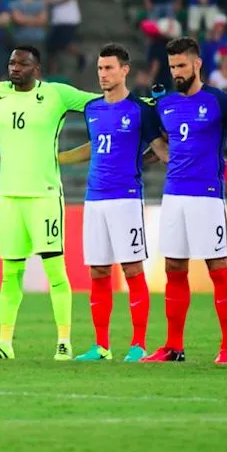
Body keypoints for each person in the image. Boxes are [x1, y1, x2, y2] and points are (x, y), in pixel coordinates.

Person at [0, 46, 100, 360]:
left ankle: (64, 342)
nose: (15, 67)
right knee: (10, 273)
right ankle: (4, 345)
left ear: (36, 68)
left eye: (22, 63)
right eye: (11, 62)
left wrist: (146, 103)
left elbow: (102, 104)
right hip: (10, 197)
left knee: (55, 271)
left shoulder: (57, 95)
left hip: (45, 196)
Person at [56, 43, 166, 362]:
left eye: (109, 68)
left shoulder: (140, 110)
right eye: (100, 69)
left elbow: (159, 148)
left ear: (124, 70)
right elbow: (96, 145)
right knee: (99, 272)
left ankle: (138, 345)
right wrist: (58, 157)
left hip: (126, 199)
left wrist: (162, 160)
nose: (103, 75)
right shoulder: (93, 109)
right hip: (95, 200)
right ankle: (101, 346)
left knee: (132, 269)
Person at [142, 37, 227, 364]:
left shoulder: (220, 102)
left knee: (217, 268)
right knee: (174, 267)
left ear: (198, 64)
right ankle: (174, 347)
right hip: (173, 195)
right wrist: (153, 153)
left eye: (182, 66)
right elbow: (156, 140)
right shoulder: (166, 104)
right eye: (172, 67)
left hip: (207, 196)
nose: (177, 72)